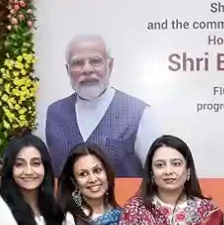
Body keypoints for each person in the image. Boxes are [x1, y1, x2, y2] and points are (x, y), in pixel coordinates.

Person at [44, 33, 162, 178]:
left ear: (110, 65)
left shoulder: (140, 113)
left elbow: (159, 178)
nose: (87, 69)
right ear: (68, 70)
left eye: (95, 61)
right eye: (77, 63)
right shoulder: (53, 114)